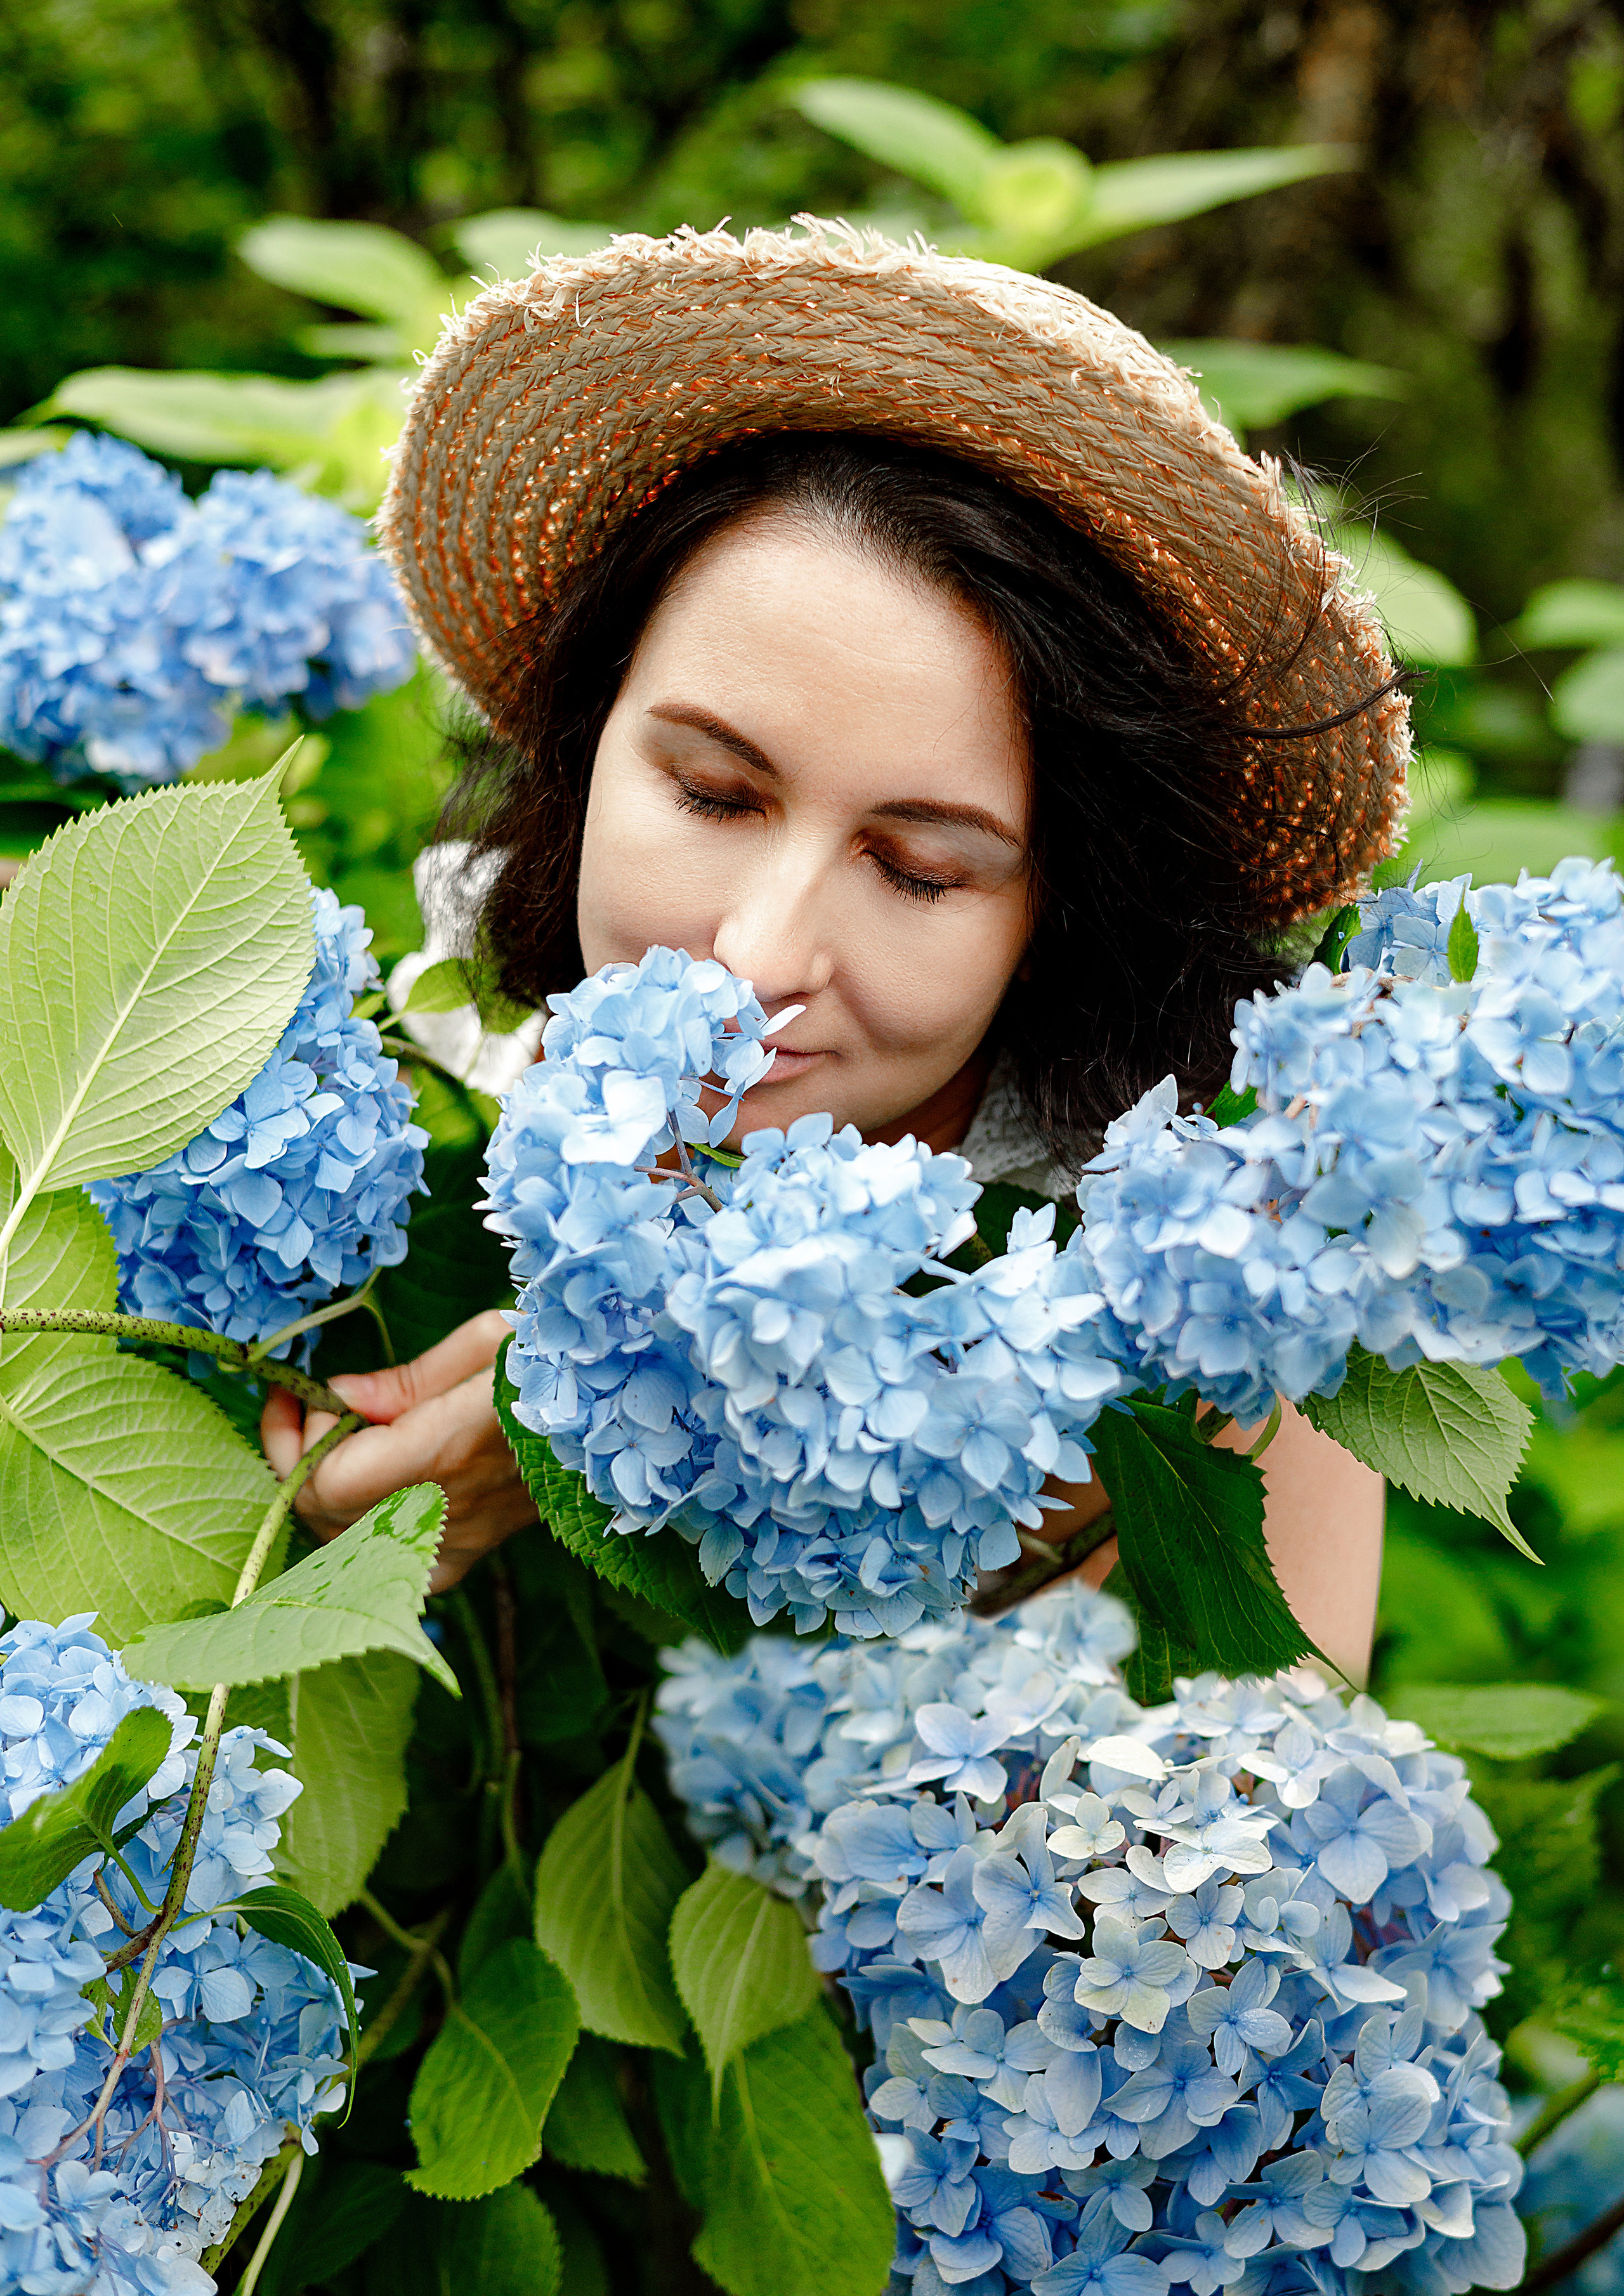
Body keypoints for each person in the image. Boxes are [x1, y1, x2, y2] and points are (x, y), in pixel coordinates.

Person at [262, 219, 1409, 1682]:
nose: (755, 952)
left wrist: (597, 1432)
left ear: (1061, 907)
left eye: (920, 869)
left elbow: (1253, 1868)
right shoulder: (406, 1065)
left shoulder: (1216, 1343)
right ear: (587, 734)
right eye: (710, 794)